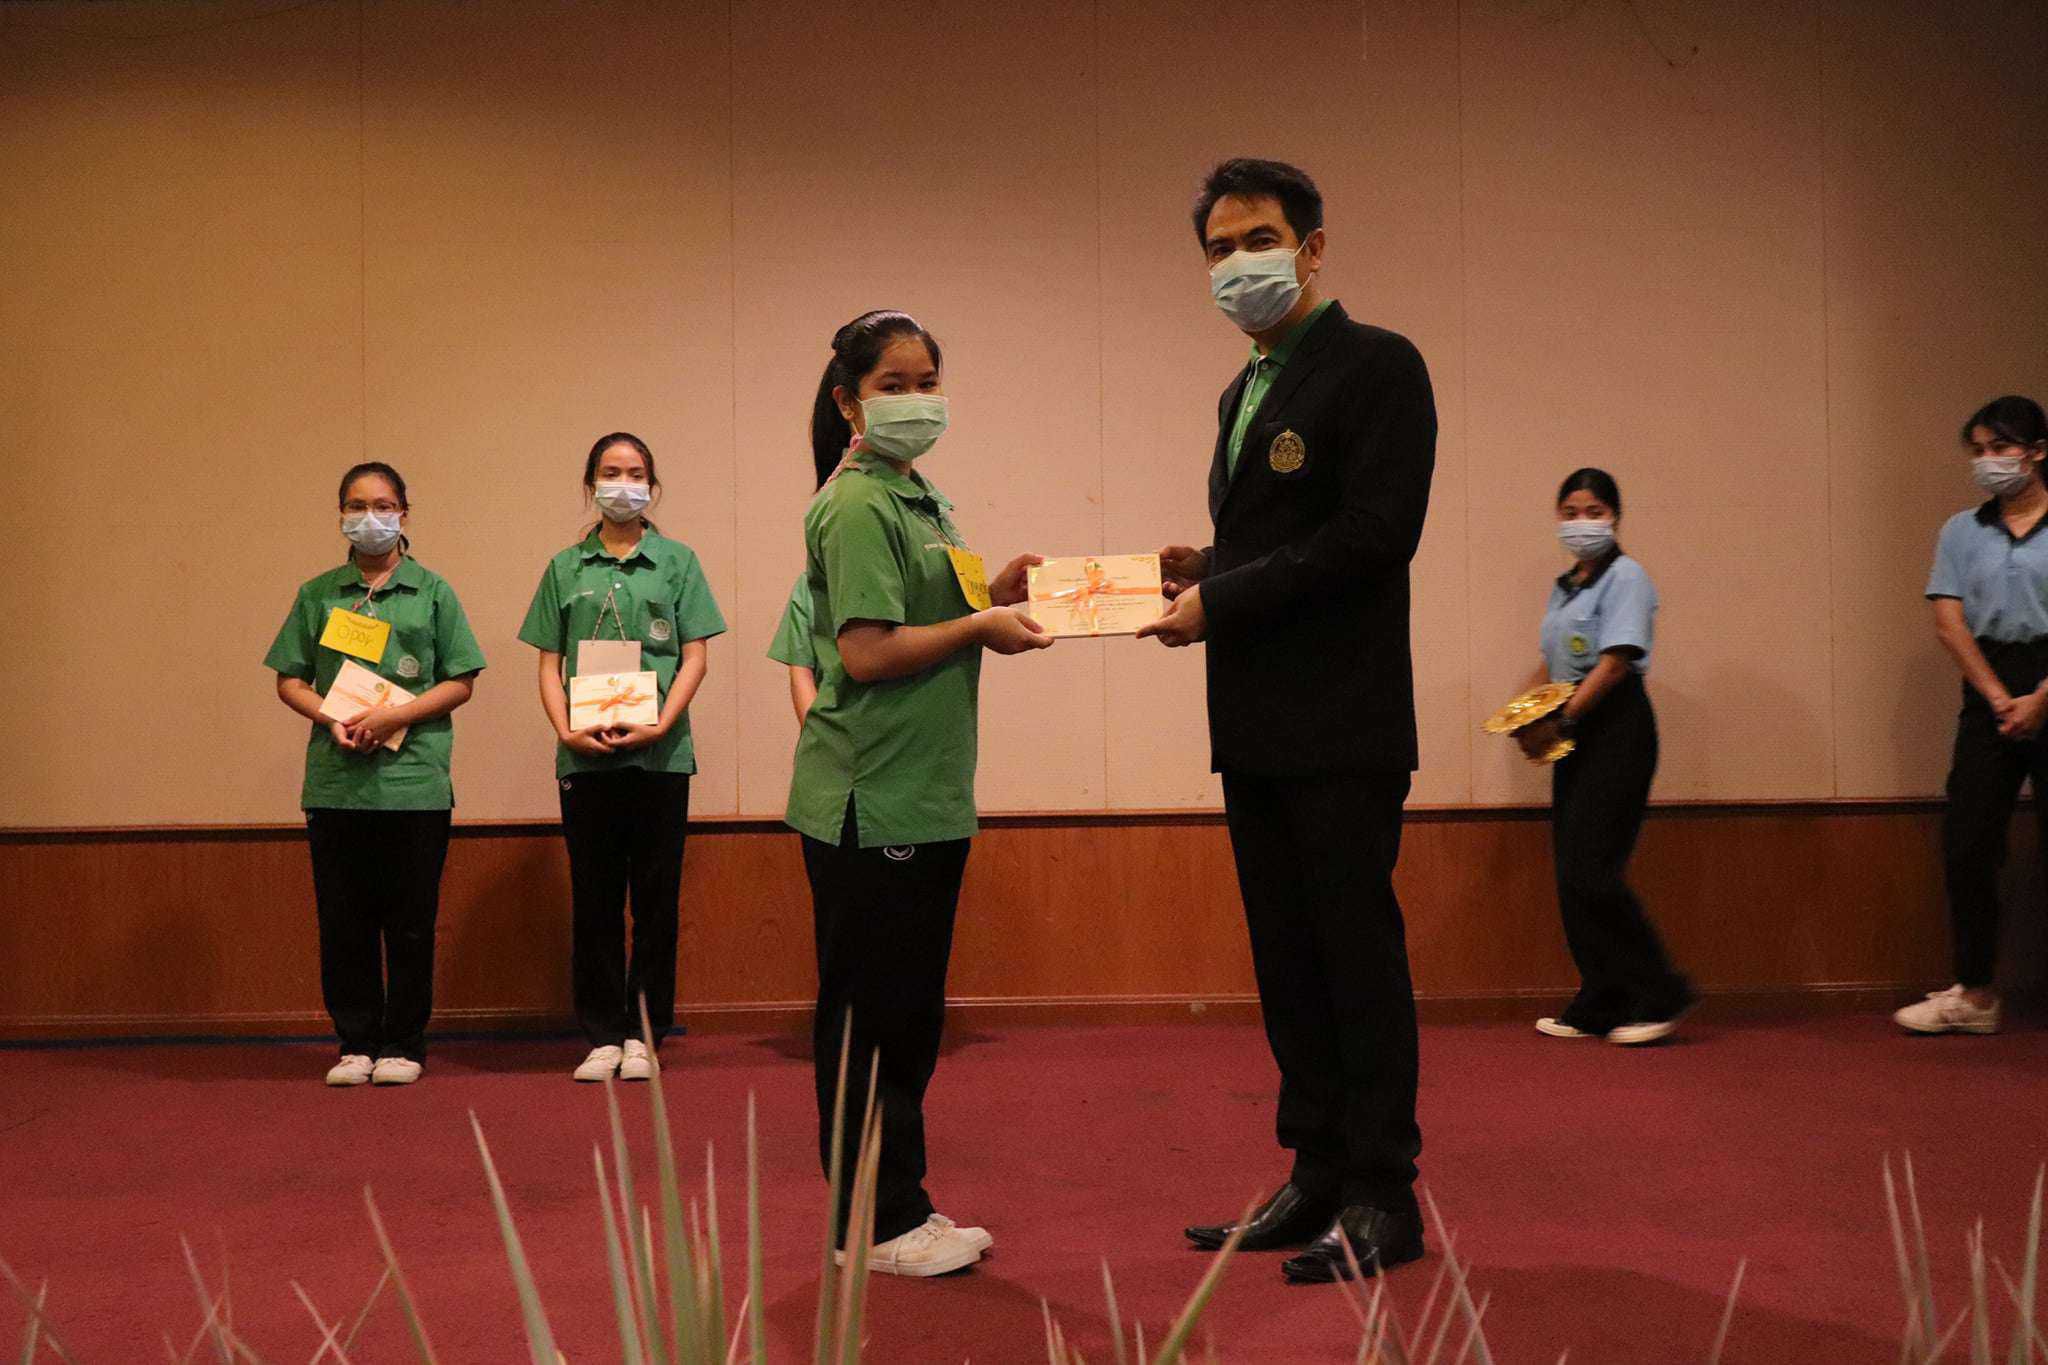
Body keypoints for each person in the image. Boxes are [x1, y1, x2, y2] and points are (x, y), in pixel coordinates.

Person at [1139, 159, 1435, 1283]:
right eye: (1217, 248)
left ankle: (1382, 1194)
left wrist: (1221, 599)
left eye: (1257, 239)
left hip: (1344, 722)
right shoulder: (1241, 390)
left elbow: (1372, 535)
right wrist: (1208, 564)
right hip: (1255, 722)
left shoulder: (1379, 365)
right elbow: (1283, 540)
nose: (1236, 264)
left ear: (1312, 248)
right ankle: (1314, 1170)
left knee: (1354, 957)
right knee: (1287, 959)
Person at [787, 309, 1051, 1277]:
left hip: (925, 788)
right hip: (874, 793)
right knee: (873, 1017)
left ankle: (898, 1203)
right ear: (848, 400)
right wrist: (980, 630)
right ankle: (872, 1224)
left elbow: (924, 611)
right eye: (892, 385)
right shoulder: (857, 501)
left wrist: (993, 594)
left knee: (907, 1014)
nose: (916, 400)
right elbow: (866, 651)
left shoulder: (919, 494)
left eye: (927, 381)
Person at [263, 461, 486, 1087]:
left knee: (410, 923)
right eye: (357, 506)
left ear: (404, 514)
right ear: (340, 514)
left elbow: (461, 680)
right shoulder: (318, 594)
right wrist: (331, 716)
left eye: (383, 506)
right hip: (337, 785)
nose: (370, 518)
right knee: (343, 922)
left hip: (414, 785)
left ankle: (403, 1044)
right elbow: (289, 679)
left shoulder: (433, 592)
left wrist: (395, 716)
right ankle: (355, 1042)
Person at [517, 433, 726, 1082]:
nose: (623, 484)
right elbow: (548, 664)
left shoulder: (678, 561)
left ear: (651, 486)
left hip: (661, 758)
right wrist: (565, 730)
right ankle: (603, 1035)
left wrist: (660, 723)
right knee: (595, 899)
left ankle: (644, 1034)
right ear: (591, 485)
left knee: (656, 901)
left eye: (636, 473)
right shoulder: (564, 568)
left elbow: (695, 655)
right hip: (585, 760)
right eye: (611, 472)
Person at [1513, 468, 1694, 1045]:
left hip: (1616, 728)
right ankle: (1602, 998)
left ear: (1615, 516)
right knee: (1571, 873)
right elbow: (1552, 661)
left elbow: (1615, 662)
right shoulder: (1567, 585)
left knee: (1594, 871)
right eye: (1570, 512)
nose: (1581, 523)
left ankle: (1661, 992)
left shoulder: (1627, 577)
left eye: (1593, 512)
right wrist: (1524, 713)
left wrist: (1564, 719)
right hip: (1573, 731)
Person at [1897, 395, 2048, 1036]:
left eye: (2001, 447)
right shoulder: (1962, 530)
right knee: (1968, 842)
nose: (1988, 461)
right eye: (1979, 450)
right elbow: (1948, 620)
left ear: (2037, 451)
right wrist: (1998, 697)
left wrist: (2042, 699)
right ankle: (1976, 993)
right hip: (1989, 686)